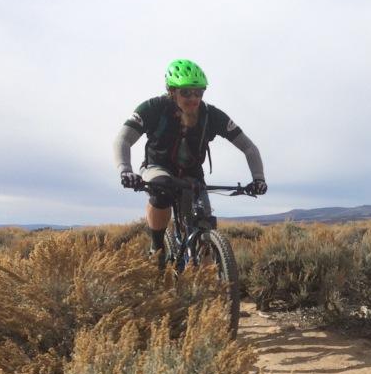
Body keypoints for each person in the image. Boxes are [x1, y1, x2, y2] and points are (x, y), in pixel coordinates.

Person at [113, 58, 267, 259]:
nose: (193, 98)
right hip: (157, 167)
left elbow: (248, 147)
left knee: (204, 222)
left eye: (199, 92)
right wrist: (125, 169)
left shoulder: (211, 115)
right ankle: (157, 248)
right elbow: (123, 139)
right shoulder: (154, 108)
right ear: (172, 91)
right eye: (186, 92)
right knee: (162, 191)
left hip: (193, 173)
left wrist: (258, 178)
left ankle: (203, 273)